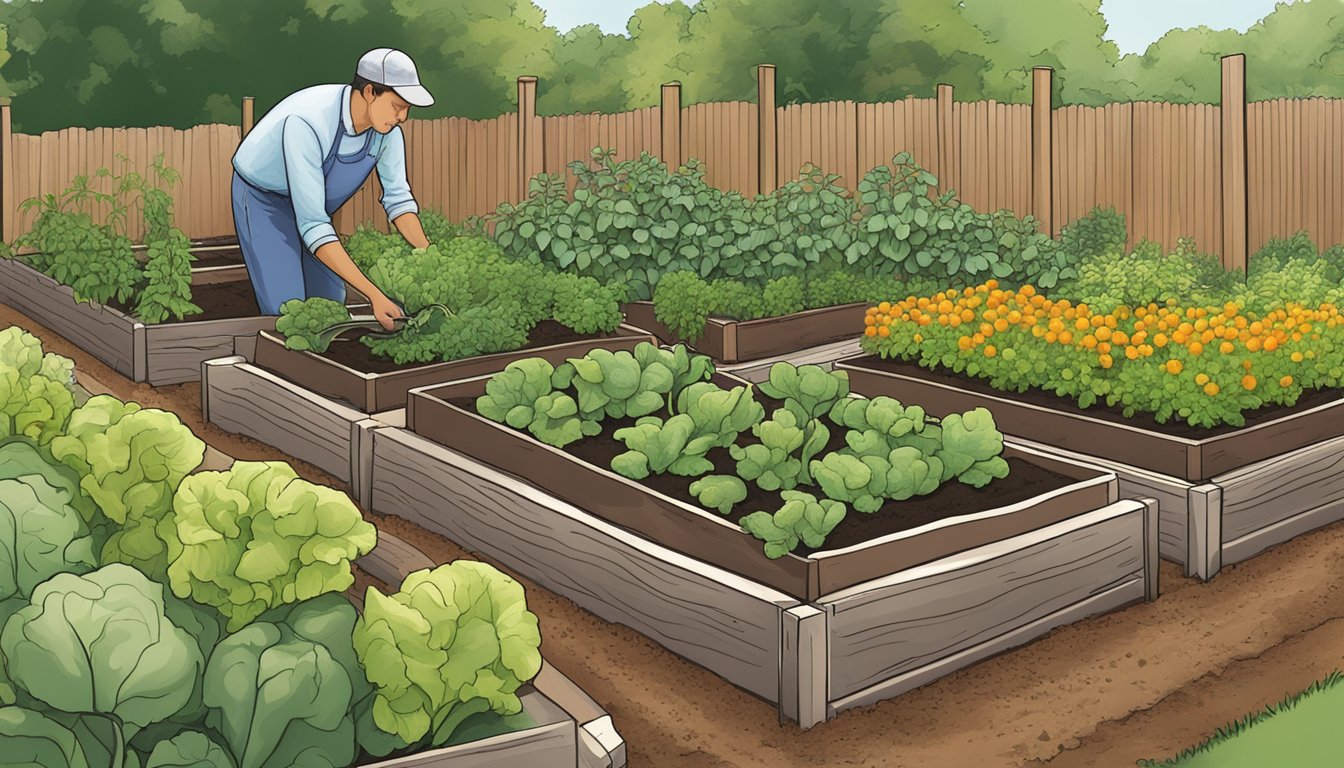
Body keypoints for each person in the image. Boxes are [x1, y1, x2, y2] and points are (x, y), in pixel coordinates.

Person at [231, 48, 435, 329]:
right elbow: (313, 223)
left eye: (406, 109)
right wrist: (375, 296)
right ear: (370, 92)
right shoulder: (308, 122)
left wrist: (429, 254)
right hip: (264, 200)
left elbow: (398, 200)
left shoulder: (386, 135)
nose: (403, 117)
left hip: (315, 208)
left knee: (331, 303)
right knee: (287, 311)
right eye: (397, 106)